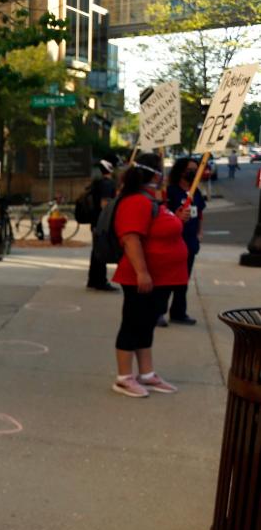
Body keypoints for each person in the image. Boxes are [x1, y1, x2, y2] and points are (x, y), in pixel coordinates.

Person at [110, 153, 188, 398]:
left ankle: (146, 373)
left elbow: (159, 231)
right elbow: (130, 238)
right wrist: (142, 272)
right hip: (142, 278)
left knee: (146, 325)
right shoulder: (135, 201)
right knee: (133, 324)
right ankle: (124, 378)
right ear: (156, 174)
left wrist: (177, 219)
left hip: (160, 278)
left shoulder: (150, 201)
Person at [157, 157, 206, 326]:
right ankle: (158, 312)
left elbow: (199, 213)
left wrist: (199, 233)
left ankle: (178, 312)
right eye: (190, 169)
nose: (193, 172)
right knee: (167, 279)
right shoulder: (170, 192)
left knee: (183, 280)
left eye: (196, 169)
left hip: (190, 242)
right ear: (181, 171)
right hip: (173, 242)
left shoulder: (195, 192)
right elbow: (163, 215)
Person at [87, 159, 118, 291]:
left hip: (95, 221)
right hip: (102, 222)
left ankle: (93, 280)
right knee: (102, 250)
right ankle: (100, 281)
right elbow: (104, 204)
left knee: (96, 251)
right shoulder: (107, 184)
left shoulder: (97, 184)